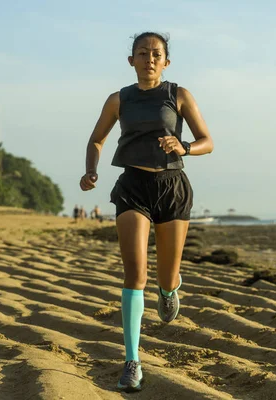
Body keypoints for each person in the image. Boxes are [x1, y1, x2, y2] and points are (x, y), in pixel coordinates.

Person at [79, 32, 214, 392]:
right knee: (134, 273)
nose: (149, 59)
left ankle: (169, 290)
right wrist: (91, 170)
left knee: (166, 277)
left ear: (166, 62)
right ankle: (132, 361)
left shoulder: (178, 95)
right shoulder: (118, 99)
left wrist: (184, 146)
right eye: (142, 53)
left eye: (156, 54)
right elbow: (96, 139)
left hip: (172, 187)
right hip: (133, 188)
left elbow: (208, 142)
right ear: (131, 61)